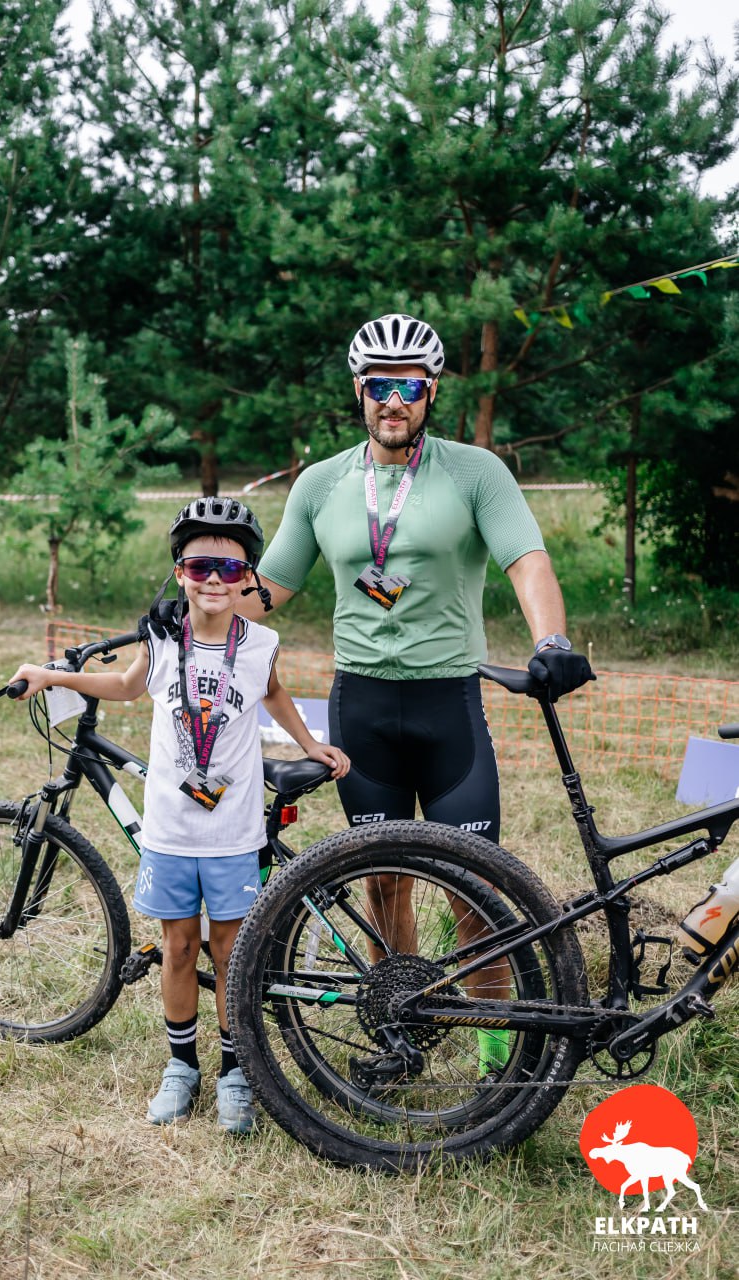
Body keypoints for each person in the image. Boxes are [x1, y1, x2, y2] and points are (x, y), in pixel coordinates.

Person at [236, 312, 593, 1074]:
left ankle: (498, 1048)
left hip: (446, 704)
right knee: (382, 879)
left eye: (406, 386)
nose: (389, 400)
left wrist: (550, 641)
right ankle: (402, 1025)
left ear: (429, 392)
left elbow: (525, 561)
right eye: (376, 386)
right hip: (360, 705)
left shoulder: (473, 471)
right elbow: (270, 587)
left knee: (475, 884)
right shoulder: (322, 483)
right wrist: (196, 605)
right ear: (357, 391)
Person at [8, 497, 349, 1133]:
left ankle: (235, 1070)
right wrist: (51, 677)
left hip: (233, 831)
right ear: (179, 574)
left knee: (229, 953)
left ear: (249, 575)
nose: (214, 580)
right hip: (170, 828)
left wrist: (310, 746)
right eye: (198, 568)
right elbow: (126, 686)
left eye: (228, 568)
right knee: (177, 945)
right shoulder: (162, 638)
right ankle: (181, 1067)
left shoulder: (262, 643)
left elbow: (273, 693)